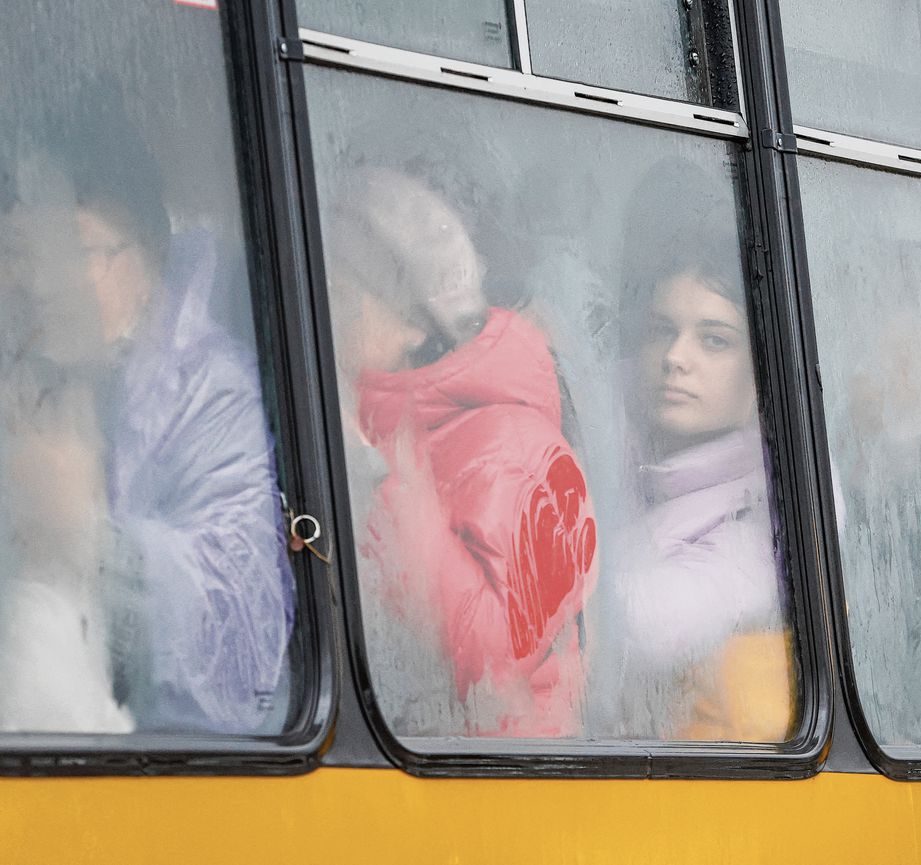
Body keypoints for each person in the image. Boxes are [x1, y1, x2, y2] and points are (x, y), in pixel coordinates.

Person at [0, 95, 295, 734]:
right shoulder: (33, 367)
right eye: (28, 252)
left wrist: (83, 533)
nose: (47, 283)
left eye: (77, 253)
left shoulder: (215, 397)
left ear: (151, 256)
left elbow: (243, 633)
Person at [329, 168, 597, 737]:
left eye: (341, 294)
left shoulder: (517, 444)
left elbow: (493, 665)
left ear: (412, 321)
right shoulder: (379, 418)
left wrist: (381, 484)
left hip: (505, 794)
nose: (324, 312)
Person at [616, 232, 794, 742]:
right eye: (661, 330)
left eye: (713, 339)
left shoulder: (777, 512)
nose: (675, 356)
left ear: (766, 368)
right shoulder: (594, 401)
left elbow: (644, 628)